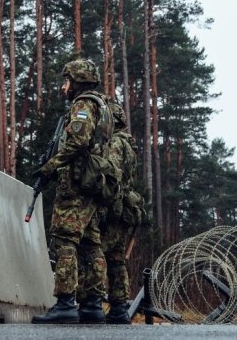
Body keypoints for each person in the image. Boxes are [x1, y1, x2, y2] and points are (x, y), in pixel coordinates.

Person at [31, 59, 112, 324]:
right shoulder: (102, 106)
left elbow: (77, 141)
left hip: (76, 185)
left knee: (64, 239)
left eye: (67, 81)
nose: (64, 87)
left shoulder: (83, 104)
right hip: (91, 184)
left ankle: (65, 303)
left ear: (77, 81)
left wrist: (50, 166)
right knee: (91, 245)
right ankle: (92, 305)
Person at [101, 103, 139, 324]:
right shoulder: (129, 145)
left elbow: (111, 174)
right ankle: (119, 307)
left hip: (114, 206)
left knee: (96, 254)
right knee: (116, 259)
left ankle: (93, 303)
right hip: (124, 207)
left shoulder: (115, 143)